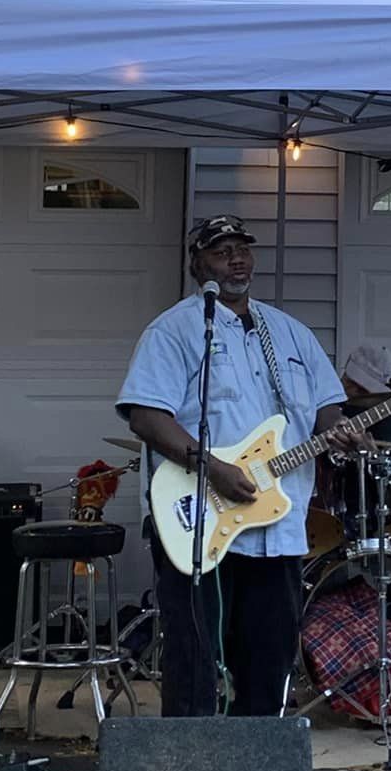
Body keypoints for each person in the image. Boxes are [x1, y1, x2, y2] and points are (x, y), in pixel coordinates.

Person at [117, 216, 364, 717]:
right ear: (197, 265)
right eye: (221, 251)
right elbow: (145, 415)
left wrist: (341, 431)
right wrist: (212, 468)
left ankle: (257, 757)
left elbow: (326, 408)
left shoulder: (291, 333)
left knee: (269, 660)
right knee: (194, 661)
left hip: (279, 528)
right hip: (200, 524)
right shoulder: (174, 330)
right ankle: (190, 758)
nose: (236, 260)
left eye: (243, 250)